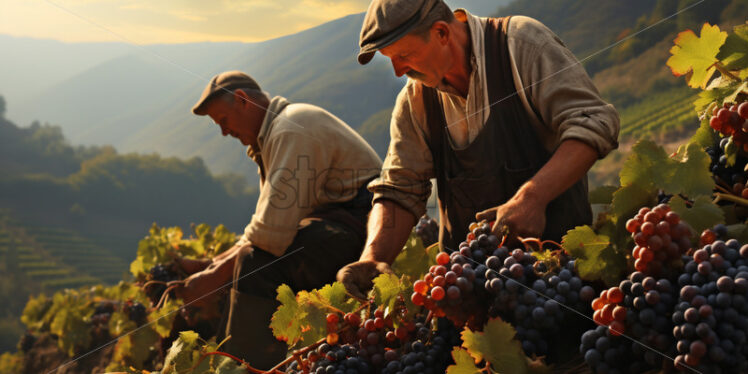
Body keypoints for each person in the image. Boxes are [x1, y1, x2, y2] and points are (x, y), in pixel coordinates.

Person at [338, 0, 620, 298]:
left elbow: (594, 121)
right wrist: (372, 257)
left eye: (404, 55)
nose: (398, 71)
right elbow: (399, 188)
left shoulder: (520, 46)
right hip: (469, 294)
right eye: (390, 59)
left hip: (559, 278)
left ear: (441, 33)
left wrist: (532, 197)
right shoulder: (415, 103)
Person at [177, 71, 382, 369]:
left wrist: (213, 278)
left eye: (223, 120)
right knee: (246, 262)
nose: (224, 132)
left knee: (256, 264)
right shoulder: (275, 134)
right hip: (344, 227)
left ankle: (243, 365)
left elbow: (270, 237)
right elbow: (266, 225)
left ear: (243, 101)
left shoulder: (290, 129)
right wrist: (213, 265)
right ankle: (238, 357)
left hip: (362, 232)